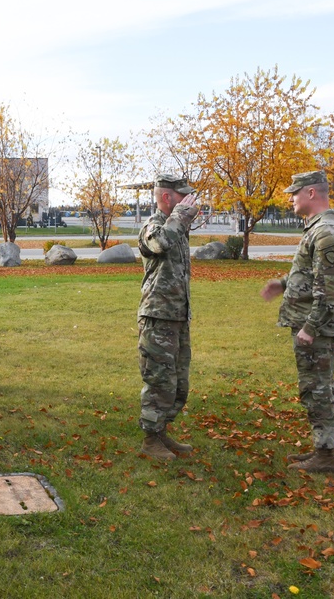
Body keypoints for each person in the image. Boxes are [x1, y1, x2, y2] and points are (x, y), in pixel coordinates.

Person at [261, 171, 334, 474]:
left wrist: (310, 329)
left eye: (294, 193)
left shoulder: (325, 232)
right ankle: (321, 447)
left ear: (311, 193)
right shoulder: (318, 228)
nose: (290, 199)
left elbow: (330, 291)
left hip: (316, 329)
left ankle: (325, 456)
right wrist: (284, 284)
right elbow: (312, 275)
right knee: (315, 387)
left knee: (318, 390)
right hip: (312, 326)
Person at [136, 173, 199, 461]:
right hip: (157, 316)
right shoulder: (154, 225)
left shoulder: (178, 227)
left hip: (176, 315)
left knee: (177, 382)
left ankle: (161, 432)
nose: (187, 201)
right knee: (159, 379)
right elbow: (159, 244)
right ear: (166, 198)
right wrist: (180, 217)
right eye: (181, 197)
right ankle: (151, 439)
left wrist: (182, 219)